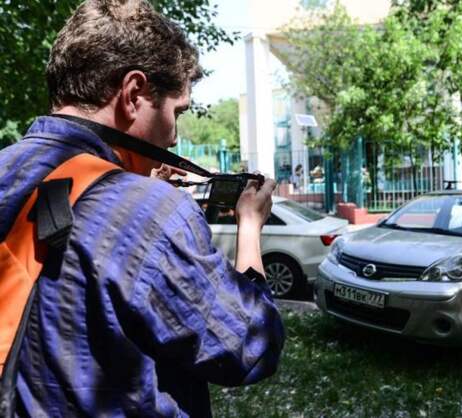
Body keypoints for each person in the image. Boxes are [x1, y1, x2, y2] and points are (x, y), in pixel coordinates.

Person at [0, 1, 284, 417]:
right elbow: (249, 348)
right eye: (176, 111)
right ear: (133, 94)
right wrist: (250, 227)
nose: (173, 138)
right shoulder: (152, 212)